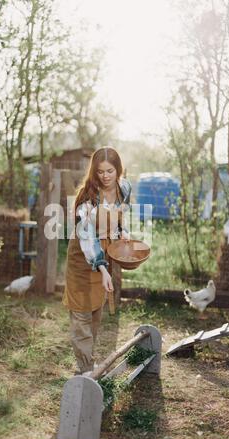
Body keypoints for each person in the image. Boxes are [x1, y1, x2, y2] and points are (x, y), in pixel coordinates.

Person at [62, 146, 132, 375]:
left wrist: (122, 231)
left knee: (95, 311)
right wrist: (103, 270)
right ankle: (85, 370)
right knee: (81, 313)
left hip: (104, 253)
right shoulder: (87, 199)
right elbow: (88, 238)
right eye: (100, 171)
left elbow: (119, 217)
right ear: (94, 171)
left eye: (110, 171)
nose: (105, 176)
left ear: (118, 170)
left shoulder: (124, 189)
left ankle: (88, 361)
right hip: (82, 258)